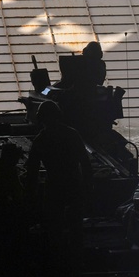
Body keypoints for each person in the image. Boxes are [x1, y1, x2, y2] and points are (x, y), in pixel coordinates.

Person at [24, 101, 92, 259]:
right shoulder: (72, 134)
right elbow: (86, 163)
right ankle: (76, 256)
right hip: (74, 182)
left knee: (55, 225)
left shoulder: (40, 139)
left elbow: (32, 171)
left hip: (54, 185)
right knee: (76, 224)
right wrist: (89, 186)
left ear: (41, 118)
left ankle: (57, 257)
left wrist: (30, 196)